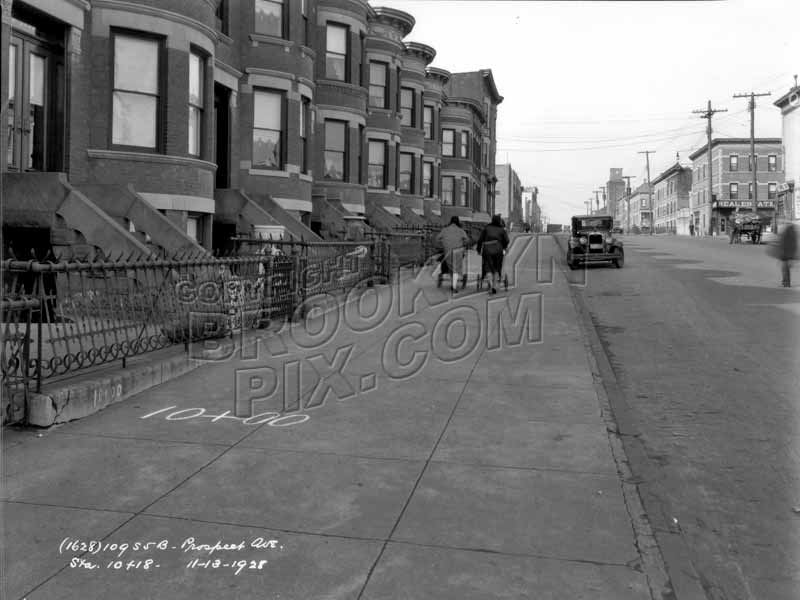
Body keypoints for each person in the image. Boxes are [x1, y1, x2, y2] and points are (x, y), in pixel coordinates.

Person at [476, 214, 510, 294]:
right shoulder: (502, 230)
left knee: (487, 267)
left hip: (487, 249)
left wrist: (478, 249)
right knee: (497, 268)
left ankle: (491, 285)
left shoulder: (486, 228)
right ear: (499, 221)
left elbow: (480, 240)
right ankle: (494, 286)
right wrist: (504, 247)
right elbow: (507, 240)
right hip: (498, 249)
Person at [436, 216, 470, 293]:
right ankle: (453, 286)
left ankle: (452, 282)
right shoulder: (461, 231)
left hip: (447, 252)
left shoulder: (444, 230)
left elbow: (437, 238)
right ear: (458, 222)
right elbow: (467, 240)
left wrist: (443, 243)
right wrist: (463, 243)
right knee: (456, 268)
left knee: (451, 267)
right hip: (458, 252)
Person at [777, 221, 798, 287]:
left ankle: (786, 283)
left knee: (785, 269)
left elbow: (787, 244)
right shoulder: (790, 231)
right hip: (786, 254)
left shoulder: (789, 231)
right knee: (785, 269)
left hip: (786, 255)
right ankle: (785, 282)